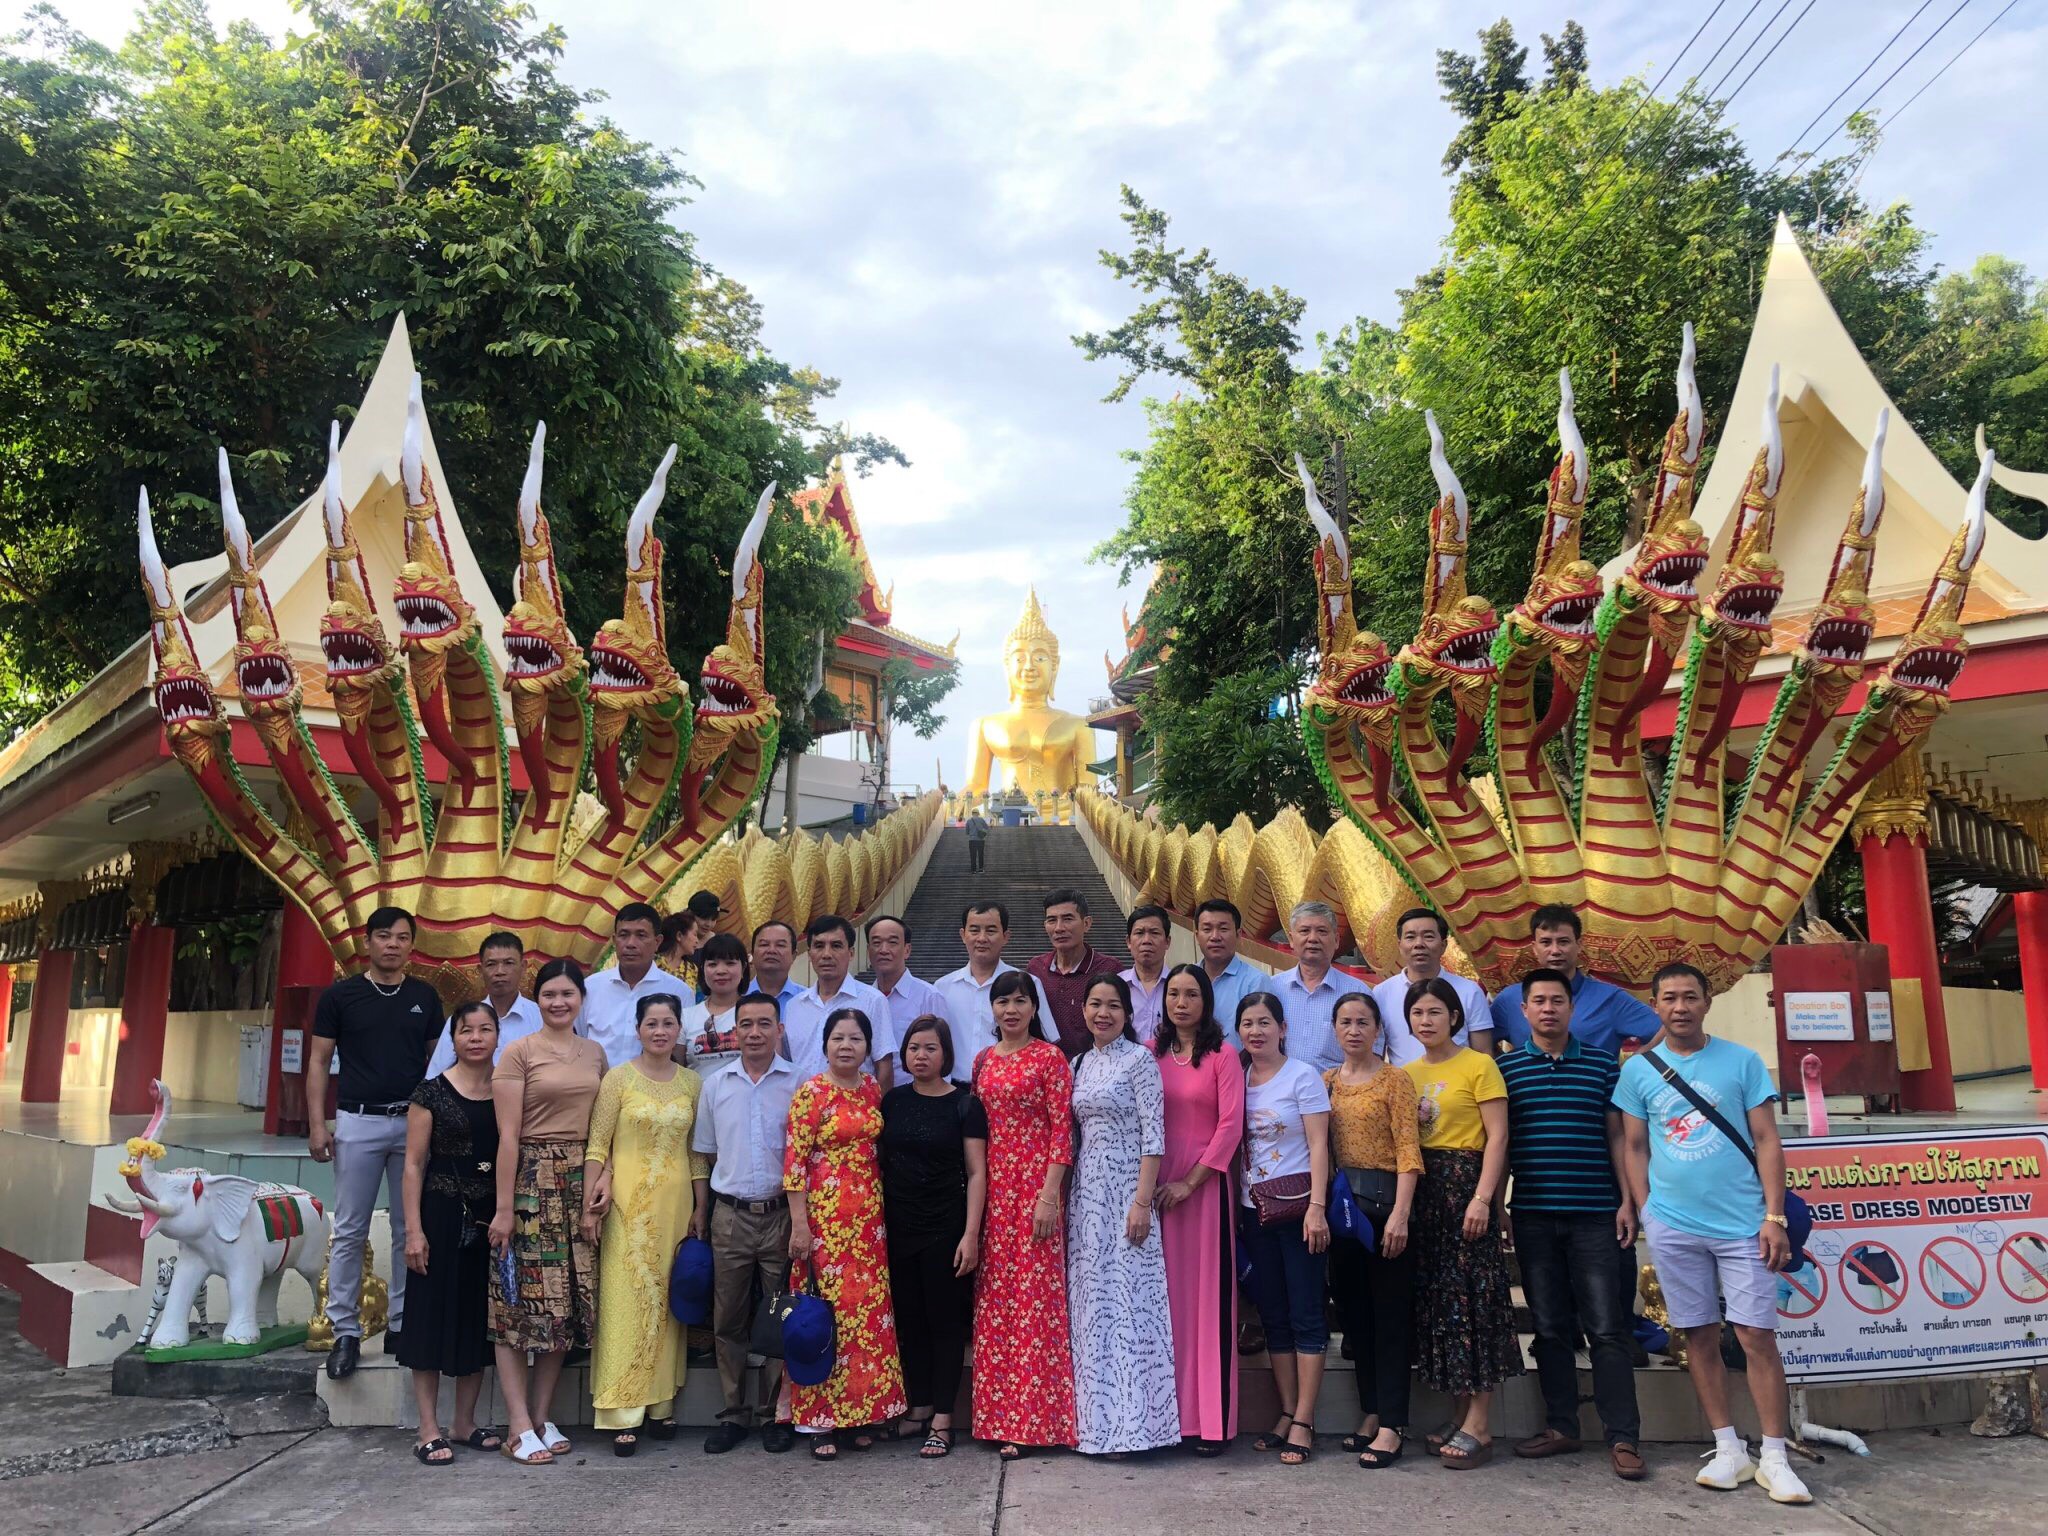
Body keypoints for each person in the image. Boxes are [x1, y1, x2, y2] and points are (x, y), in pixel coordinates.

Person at [1615, 963, 1808, 1505]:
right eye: (1670, 998)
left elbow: (1768, 1139)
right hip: (1674, 1226)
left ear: (1706, 1003)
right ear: (1655, 1005)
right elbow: (1634, 1146)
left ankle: (1774, 1454)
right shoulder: (1637, 1071)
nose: (1680, 1007)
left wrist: (1773, 1217)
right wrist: (1649, 1210)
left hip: (1744, 1223)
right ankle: (1728, 1448)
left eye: (1690, 997)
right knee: (1697, 1334)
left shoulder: (1740, 1061)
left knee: (1755, 1337)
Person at [1497, 969, 1643, 1479]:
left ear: (1571, 1008)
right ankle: (1561, 1426)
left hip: (1595, 1216)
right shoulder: (1507, 1071)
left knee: (1606, 1329)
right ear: (1524, 1011)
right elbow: (1503, 1148)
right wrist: (1499, 1208)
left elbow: (1617, 1140)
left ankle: (1623, 1437)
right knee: (1550, 1328)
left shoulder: (1604, 1066)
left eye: (1557, 1000)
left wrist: (1628, 1201)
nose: (1548, 1009)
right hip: (1534, 1215)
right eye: (1538, 1001)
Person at [307, 904, 443, 1380]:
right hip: (357, 1122)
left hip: (412, 1122)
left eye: (402, 937)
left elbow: (437, 1066)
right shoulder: (341, 997)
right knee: (349, 1228)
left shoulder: (424, 998)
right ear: (367, 943)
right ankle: (344, 1330)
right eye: (383, 936)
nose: (392, 945)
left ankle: (403, 1326)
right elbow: (320, 1062)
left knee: (411, 1229)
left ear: (411, 945)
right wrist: (318, 1124)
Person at [488, 958, 607, 1465]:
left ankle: (540, 1415)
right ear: (538, 1000)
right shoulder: (518, 1053)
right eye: (550, 995)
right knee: (518, 1305)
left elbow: (604, 1127)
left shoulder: (596, 1053)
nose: (559, 1003)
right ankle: (517, 1424)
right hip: (532, 1181)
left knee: (565, 1304)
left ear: (581, 998)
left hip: (580, 1180)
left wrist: (604, 1178)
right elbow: (508, 1136)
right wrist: (504, 1208)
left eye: (568, 994)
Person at [582, 992, 709, 1454]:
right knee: (626, 1297)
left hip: (675, 1207)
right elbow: (597, 1144)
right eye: (651, 1023)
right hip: (625, 1205)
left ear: (679, 1030)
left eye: (668, 1023)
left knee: (667, 1300)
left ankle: (660, 1406)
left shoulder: (693, 1083)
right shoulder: (617, 1079)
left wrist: (700, 1208)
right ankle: (621, 1410)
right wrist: (589, 1202)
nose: (660, 1031)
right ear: (637, 1029)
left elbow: (698, 1152)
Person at [1402, 976, 1520, 1470]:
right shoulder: (1404, 1073)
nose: (1426, 1021)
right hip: (1426, 1193)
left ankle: (1480, 1422)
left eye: (1435, 1012)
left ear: (1455, 1017)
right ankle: (1457, 1411)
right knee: (1441, 1302)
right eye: (1417, 1013)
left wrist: (1485, 1199)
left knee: (1475, 1300)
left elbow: (1497, 1139)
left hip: (1466, 1188)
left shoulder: (1480, 1066)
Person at [784, 1008, 909, 1459]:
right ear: (825, 1044)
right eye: (838, 1038)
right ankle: (819, 1421)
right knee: (825, 1316)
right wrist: (800, 1225)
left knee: (868, 1319)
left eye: (855, 1039)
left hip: (869, 1222)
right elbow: (794, 1164)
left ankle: (861, 1414)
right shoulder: (811, 1094)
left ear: (867, 1046)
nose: (846, 1046)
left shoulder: (873, 1090)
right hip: (825, 1222)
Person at [1065, 975, 1179, 1457]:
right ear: (1085, 1011)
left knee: (1130, 1305)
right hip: (1086, 1197)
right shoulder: (1078, 1063)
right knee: (1092, 1310)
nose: (1103, 1013)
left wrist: (1141, 1200)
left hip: (1126, 1194)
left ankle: (1139, 1428)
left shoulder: (1139, 1060)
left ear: (1128, 1015)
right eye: (1095, 1004)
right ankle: (1094, 1427)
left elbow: (1155, 1135)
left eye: (1113, 1005)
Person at [970, 970, 1078, 1458]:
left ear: (1035, 1008)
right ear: (991, 1009)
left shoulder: (1050, 1059)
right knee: (997, 1304)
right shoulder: (982, 1061)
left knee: (1036, 1305)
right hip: (994, 1195)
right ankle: (996, 1416)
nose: (1010, 1010)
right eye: (1002, 1002)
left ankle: (1035, 1421)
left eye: (1020, 1001)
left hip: (1036, 1194)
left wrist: (1050, 1196)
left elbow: (1062, 1133)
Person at [396, 999, 502, 1463]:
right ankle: (427, 1428)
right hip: (439, 1216)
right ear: (452, 1039)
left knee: (477, 1319)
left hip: (489, 1219)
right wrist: (414, 1231)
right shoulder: (430, 1093)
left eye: (484, 1029)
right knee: (430, 1318)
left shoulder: (509, 1090)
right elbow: (414, 1165)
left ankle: (464, 1422)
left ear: (498, 1036)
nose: (475, 1038)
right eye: (466, 1030)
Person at [694, 993, 800, 1453]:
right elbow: (705, 1150)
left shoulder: (800, 1083)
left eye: (764, 1024)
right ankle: (735, 1413)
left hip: (782, 1216)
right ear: (734, 1032)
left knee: (781, 1319)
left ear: (780, 1030)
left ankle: (776, 1413)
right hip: (731, 1216)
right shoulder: (716, 1086)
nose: (754, 1033)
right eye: (746, 1025)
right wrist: (703, 1209)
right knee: (729, 1319)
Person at [878, 1016, 987, 1458]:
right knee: (910, 1323)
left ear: (946, 1054)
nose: (920, 1056)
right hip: (898, 1227)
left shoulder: (964, 1104)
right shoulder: (893, 1102)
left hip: (946, 1228)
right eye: (913, 1048)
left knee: (944, 1325)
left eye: (930, 1048)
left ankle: (944, 1418)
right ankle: (918, 1407)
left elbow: (977, 1172)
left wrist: (971, 1234)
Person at [1322, 991, 1422, 1469]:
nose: (1355, 1030)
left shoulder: (1395, 1080)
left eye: (1364, 1022)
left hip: (1386, 1211)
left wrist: (1402, 1213)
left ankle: (1393, 1423)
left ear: (1379, 1029)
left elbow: (1408, 1150)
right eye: (1346, 1022)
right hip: (1344, 1215)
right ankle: (1371, 1410)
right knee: (1356, 1317)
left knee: (1389, 1318)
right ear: (1335, 1029)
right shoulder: (1326, 1084)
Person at [1151, 964, 1244, 1455]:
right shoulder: (1152, 1055)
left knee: (1206, 1304)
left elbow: (1230, 1127)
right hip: (1157, 1190)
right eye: (1174, 994)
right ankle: (1167, 1418)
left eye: (1191, 994)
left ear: (1206, 1002)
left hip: (1203, 1192)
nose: (1181, 1003)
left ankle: (1211, 1421)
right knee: (1164, 1307)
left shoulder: (1222, 1056)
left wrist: (1191, 1182)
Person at [1236, 990, 1330, 1467]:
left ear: (1283, 1028)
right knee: (1272, 1313)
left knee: (1307, 1312)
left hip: (1298, 1211)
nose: (1256, 1031)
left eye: (1265, 1022)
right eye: (1248, 1023)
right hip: (1253, 1212)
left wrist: (1318, 1206)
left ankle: (1306, 1419)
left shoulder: (1303, 1076)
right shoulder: (1237, 1077)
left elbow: (1319, 1145)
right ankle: (1287, 1410)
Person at [1487, 905, 1660, 1055]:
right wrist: (1507, 1069)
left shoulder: (1610, 998)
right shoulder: (1509, 999)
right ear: (1534, 948)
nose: (1555, 951)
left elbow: (1666, 1030)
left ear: (1579, 945)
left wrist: (1636, 1065)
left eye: (1563, 942)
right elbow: (1480, 1045)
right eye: (1546, 942)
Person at [931, 901, 1053, 1078]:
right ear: (963, 935)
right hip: (953, 1091)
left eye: (991, 930)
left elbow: (1046, 1039)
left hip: (1009, 1090)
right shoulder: (942, 987)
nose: (982, 938)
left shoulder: (1028, 984)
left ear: (1006, 936)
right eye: (974, 930)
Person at [1372, 908, 1492, 1065]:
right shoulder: (1381, 993)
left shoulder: (1469, 991)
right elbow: (1375, 1054)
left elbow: (1483, 1054)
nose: (1419, 944)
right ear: (1400, 946)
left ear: (1443, 945)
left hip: (1458, 1086)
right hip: (1404, 1086)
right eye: (1410, 937)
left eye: (1428, 936)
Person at [783, 916, 893, 1086]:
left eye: (836, 946)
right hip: (803, 1108)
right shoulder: (794, 1006)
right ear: (809, 953)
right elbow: (787, 1063)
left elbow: (883, 1064)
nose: (827, 954)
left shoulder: (872, 1000)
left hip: (855, 1109)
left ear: (851, 953)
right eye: (819, 946)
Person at [583, 903, 690, 1067]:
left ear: (657, 942)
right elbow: (579, 1040)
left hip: (652, 1089)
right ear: (614, 940)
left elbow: (679, 1052)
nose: (630, 943)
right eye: (623, 935)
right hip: (597, 1088)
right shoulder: (590, 987)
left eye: (641, 935)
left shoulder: (678, 992)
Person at [1269, 901, 1368, 1072]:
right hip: (1284, 1092)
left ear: (1336, 940)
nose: (1313, 938)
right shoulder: (1272, 989)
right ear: (1292, 939)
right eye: (1304, 931)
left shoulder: (1358, 992)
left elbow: (1372, 1053)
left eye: (1321, 931)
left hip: (1338, 1093)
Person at [1026, 887, 1123, 1057]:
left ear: (1086, 923)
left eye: (1067, 919)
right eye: (1051, 920)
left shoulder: (1110, 969)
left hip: (1095, 1072)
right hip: (1046, 1072)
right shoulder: (1036, 969)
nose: (1059, 928)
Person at [426, 932, 539, 1074]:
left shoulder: (541, 1018)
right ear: (480, 970)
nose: (500, 972)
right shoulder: (461, 1021)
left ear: (523, 967)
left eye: (508, 963)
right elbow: (436, 1075)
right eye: (491, 964)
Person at [865, 914, 950, 1065]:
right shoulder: (862, 999)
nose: (883, 950)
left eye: (892, 942)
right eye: (876, 943)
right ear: (868, 951)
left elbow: (942, 1057)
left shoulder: (929, 997)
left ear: (907, 950)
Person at [680, 932, 751, 1073]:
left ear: (743, 968)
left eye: (730, 963)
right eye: (712, 964)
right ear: (703, 969)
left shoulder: (756, 1013)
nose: (721, 971)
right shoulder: (685, 1017)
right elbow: (675, 1070)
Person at [1194, 899, 1259, 1047]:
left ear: (1238, 934)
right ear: (1197, 935)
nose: (1215, 936)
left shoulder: (1255, 982)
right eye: (1207, 929)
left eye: (1223, 929)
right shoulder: (1187, 979)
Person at [1118, 905, 1170, 1046]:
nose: (1146, 940)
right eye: (1139, 933)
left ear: (1167, 942)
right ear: (1128, 941)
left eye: (1154, 933)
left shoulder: (1178, 987)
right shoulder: (1116, 986)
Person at [750, 920, 806, 1011]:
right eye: (764, 944)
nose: (771, 950)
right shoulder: (737, 998)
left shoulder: (808, 1001)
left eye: (780, 945)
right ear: (752, 953)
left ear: (794, 955)